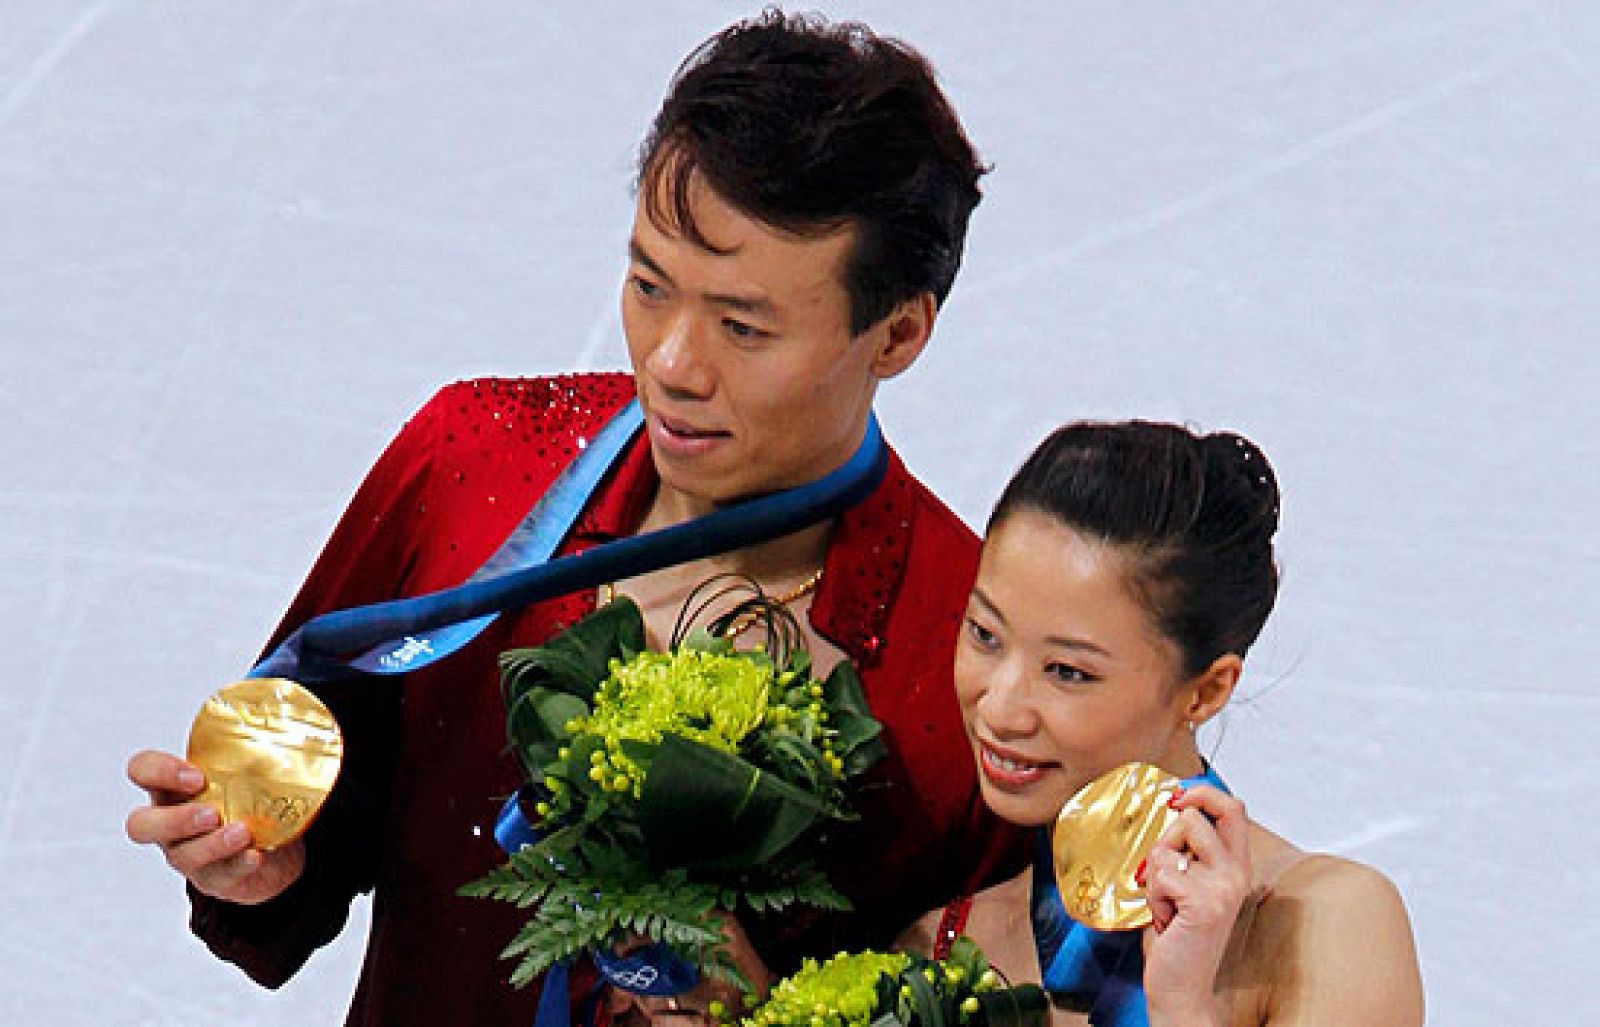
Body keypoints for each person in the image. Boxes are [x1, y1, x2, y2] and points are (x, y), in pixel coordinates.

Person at [124, 12, 1022, 1025]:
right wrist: (262, 866)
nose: (672, 365)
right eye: (648, 285)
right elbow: (315, 827)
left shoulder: (976, 664)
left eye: (741, 325)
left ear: (898, 331)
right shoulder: (471, 464)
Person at [901, 422, 1424, 1025]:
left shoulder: (1326, 924)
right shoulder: (939, 945)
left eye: (1067, 672)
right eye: (985, 635)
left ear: (1204, 691)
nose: (999, 707)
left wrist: (1182, 1007)